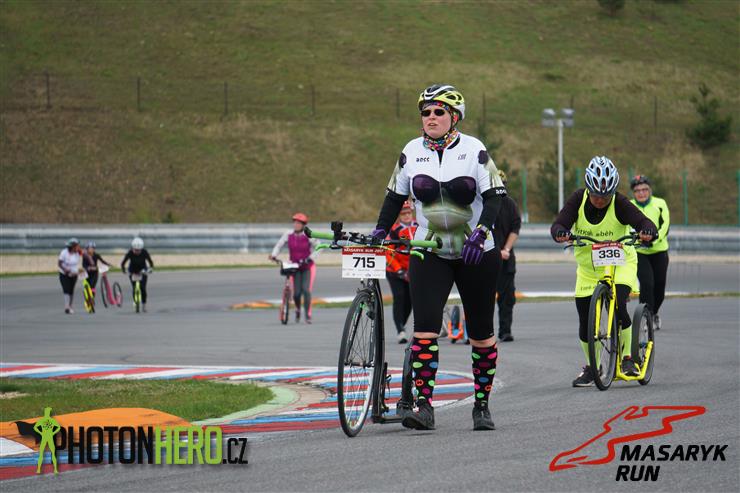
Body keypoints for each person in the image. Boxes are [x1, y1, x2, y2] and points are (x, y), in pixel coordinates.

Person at [373, 84, 506, 431]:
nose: (430, 117)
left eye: (438, 112)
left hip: (477, 252)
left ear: (454, 117)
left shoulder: (474, 149)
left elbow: (495, 197)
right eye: (425, 112)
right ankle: (424, 406)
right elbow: (394, 198)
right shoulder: (411, 151)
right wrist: (380, 230)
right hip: (429, 250)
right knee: (424, 331)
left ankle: (481, 406)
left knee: (481, 334)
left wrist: (483, 231)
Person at [551, 157, 656, 387]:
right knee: (584, 319)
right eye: (596, 195)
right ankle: (593, 366)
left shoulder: (619, 202)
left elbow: (643, 222)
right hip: (589, 269)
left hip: (620, 264)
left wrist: (648, 231)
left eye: (605, 196)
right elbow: (559, 224)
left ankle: (628, 358)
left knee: (618, 304)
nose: (600, 200)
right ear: (588, 190)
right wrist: (560, 232)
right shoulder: (578, 199)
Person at [630, 175, 670, 330]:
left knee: (659, 287)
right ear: (633, 193)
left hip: (659, 250)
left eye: (644, 189)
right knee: (647, 284)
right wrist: (638, 241)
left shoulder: (660, 204)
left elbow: (665, 226)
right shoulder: (629, 206)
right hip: (639, 252)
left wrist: (653, 239)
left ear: (650, 190)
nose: (641, 193)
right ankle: (646, 317)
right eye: (637, 191)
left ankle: (654, 313)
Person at [269, 213, 319, 324]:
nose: (296, 225)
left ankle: (307, 315)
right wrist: (273, 255)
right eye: (295, 222)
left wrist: (310, 258)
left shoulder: (308, 235)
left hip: (307, 267)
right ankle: (298, 309)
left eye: (299, 223)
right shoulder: (288, 234)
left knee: (306, 290)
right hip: (295, 267)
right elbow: (279, 245)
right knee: (296, 293)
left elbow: (319, 247)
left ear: (303, 225)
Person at [493, 169, 521, 342]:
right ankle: (481, 332)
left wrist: (506, 249)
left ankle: (505, 331)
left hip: (505, 259)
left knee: (507, 298)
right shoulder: (482, 203)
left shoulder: (510, 204)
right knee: (482, 298)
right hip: (486, 259)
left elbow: (515, 228)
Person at [385, 200, 418, 344]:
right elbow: (388, 251)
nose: (406, 216)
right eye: (403, 214)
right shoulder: (394, 229)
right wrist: (398, 270)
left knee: (410, 300)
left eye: (408, 213)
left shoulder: (419, 226)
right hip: (395, 270)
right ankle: (400, 330)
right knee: (399, 297)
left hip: (413, 270)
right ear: (399, 215)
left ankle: (402, 324)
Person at [121, 237, 154, 312]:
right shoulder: (130, 253)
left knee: (143, 288)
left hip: (143, 271)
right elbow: (123, 263)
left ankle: (144, 304)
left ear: (141, 249)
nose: (137, 251)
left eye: (139, 250)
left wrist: (150, 269)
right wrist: (124, 270)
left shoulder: (145, 252)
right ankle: (135, 302)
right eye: (135, 250)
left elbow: (151, 262)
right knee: (134, 288)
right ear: (133, 248)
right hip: (132, 271)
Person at [58, 238, 81, 314]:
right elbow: (59, 263)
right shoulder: (64, 252)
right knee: (66, 289)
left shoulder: (77, 253)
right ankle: (66, 307)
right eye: (77, 246)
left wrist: (79, 271)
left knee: (71, 290)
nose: (78, 247)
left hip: (74, 274)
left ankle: (70, 306)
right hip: (64, 274)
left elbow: (84, 257)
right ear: (72, 246)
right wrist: (65, 270)